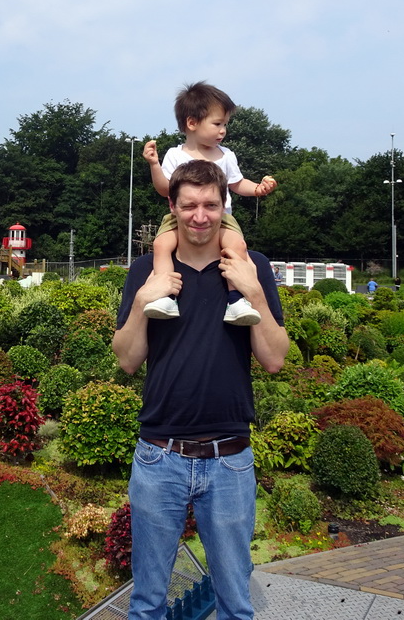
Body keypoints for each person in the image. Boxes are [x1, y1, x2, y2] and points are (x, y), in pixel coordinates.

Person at [113, 159, 289, 620]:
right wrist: (140, 304)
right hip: (158, 456)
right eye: (189, 205)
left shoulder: (252, 267)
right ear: (172, 206)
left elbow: (274, 359)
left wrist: (253, 294)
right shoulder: (146, 271)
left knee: (235, 602)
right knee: (147, 602)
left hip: (230, 460)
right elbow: (128, 360)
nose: (200, 215)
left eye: (210, 204)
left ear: (223, 205)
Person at [142, 81, 276, 326]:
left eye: (225, 124)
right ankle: (166, 296)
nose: (223, 130)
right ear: (192, 123)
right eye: (217, 124)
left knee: (237, 246)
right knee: (161, 244)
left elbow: (237, 184)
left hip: (222, 219)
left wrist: (257, 189)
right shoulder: (175, 155)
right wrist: (154, 165)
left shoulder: (226, 156)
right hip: (180, 220)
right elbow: (165, 190)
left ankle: (236, 300)